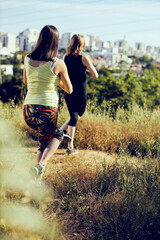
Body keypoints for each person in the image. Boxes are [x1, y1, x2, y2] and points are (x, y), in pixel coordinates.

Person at [23, 25, 73, 183]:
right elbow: (69, 89)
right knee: (58, 134)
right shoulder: (57, 64)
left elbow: (26, 81)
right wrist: (57, 81)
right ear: (55, 42)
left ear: (40, 39)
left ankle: (36, 182)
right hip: (47, 109)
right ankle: (41, 165)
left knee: (43, 142)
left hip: (28, 110)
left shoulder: (27, 58)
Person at [61, 34, 98, 155]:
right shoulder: (84, 59)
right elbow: (95, 75)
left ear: (71, 43)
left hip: (68, 90)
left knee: (74, 116)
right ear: (82, 44)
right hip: (80, 92)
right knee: (76, 116)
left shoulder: (65, 57)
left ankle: (57, 133)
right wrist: (84, 70)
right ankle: (70, 147)